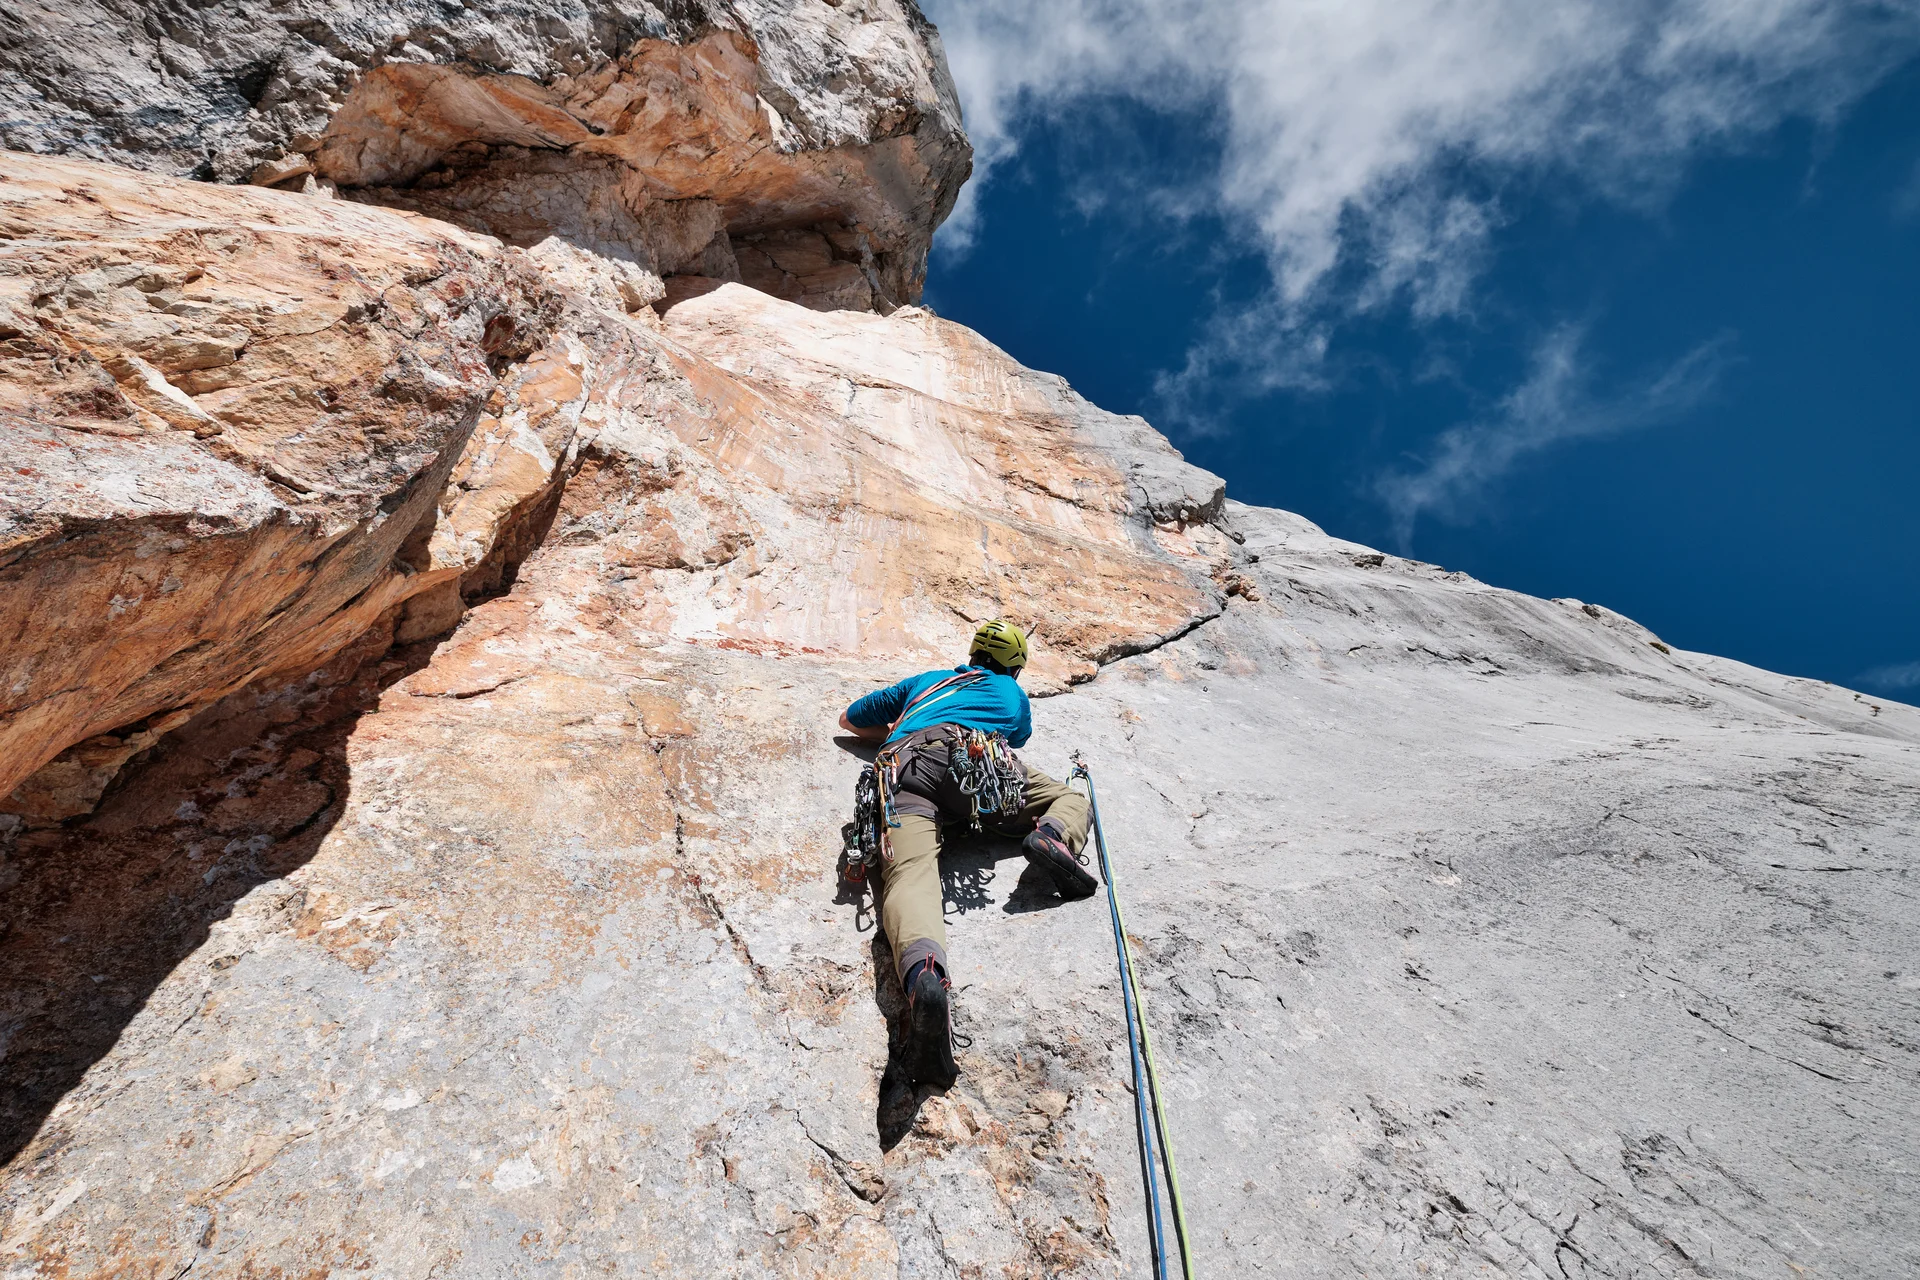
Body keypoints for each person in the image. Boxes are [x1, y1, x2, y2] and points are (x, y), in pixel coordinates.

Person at [837, 620, 1097, 1086]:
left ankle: (923, 977)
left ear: (973, 653)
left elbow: (851, 720)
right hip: (974, 767)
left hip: (904, 769)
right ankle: (1052, 836)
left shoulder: (928, 680)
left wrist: (902, 725)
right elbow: (1016, 739)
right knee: (1072, 798)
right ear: (1015, 667)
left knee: (909, 877)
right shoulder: (1009, 693)